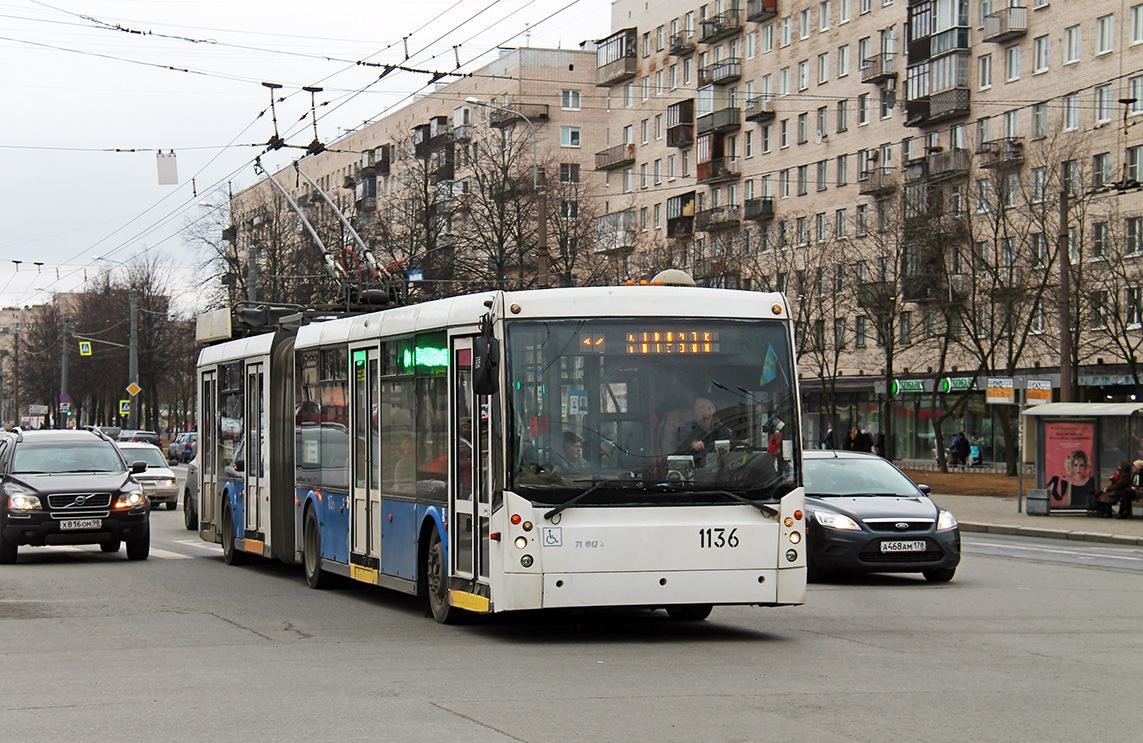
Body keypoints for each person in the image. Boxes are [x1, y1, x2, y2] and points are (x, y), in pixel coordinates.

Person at [678, 396, 733, 466]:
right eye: (697, 407)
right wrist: (692, 444)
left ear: (713, 409)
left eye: (703, 407)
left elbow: (732, 447)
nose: (700, 410)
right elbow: (680, 447)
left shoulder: (723, 430)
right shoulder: (686, 428)